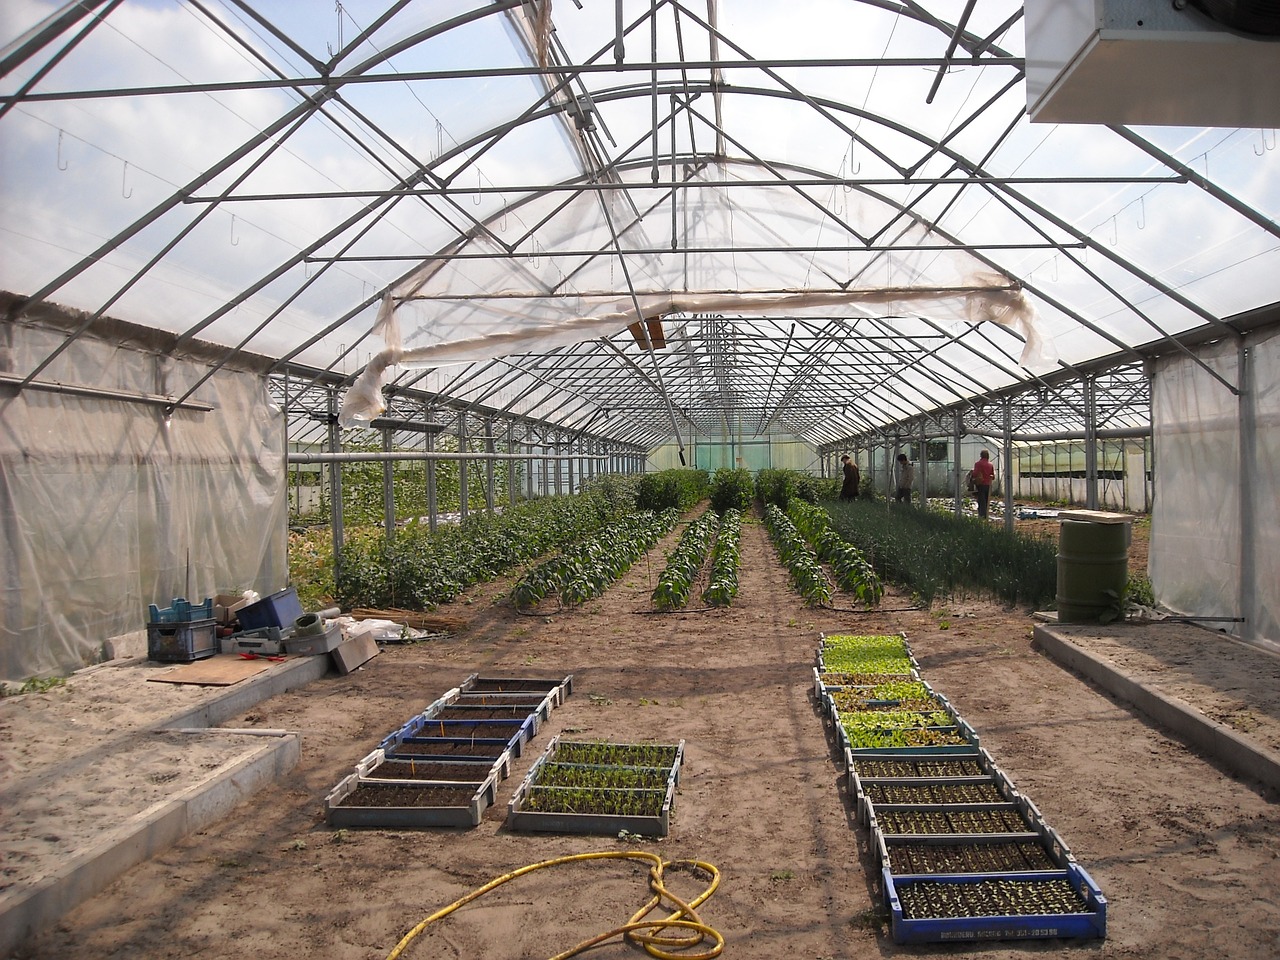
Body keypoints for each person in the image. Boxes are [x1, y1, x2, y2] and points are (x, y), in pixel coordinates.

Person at [971, 449, 996, 518]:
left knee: (981, 500)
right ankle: (986, 515)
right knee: (986, 501)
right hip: (988, 485)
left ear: (981, 455)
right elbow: (993, 476)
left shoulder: (978, 464)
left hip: (980, 484)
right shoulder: (990, 464)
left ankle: (982, 516)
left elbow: (975, 473)